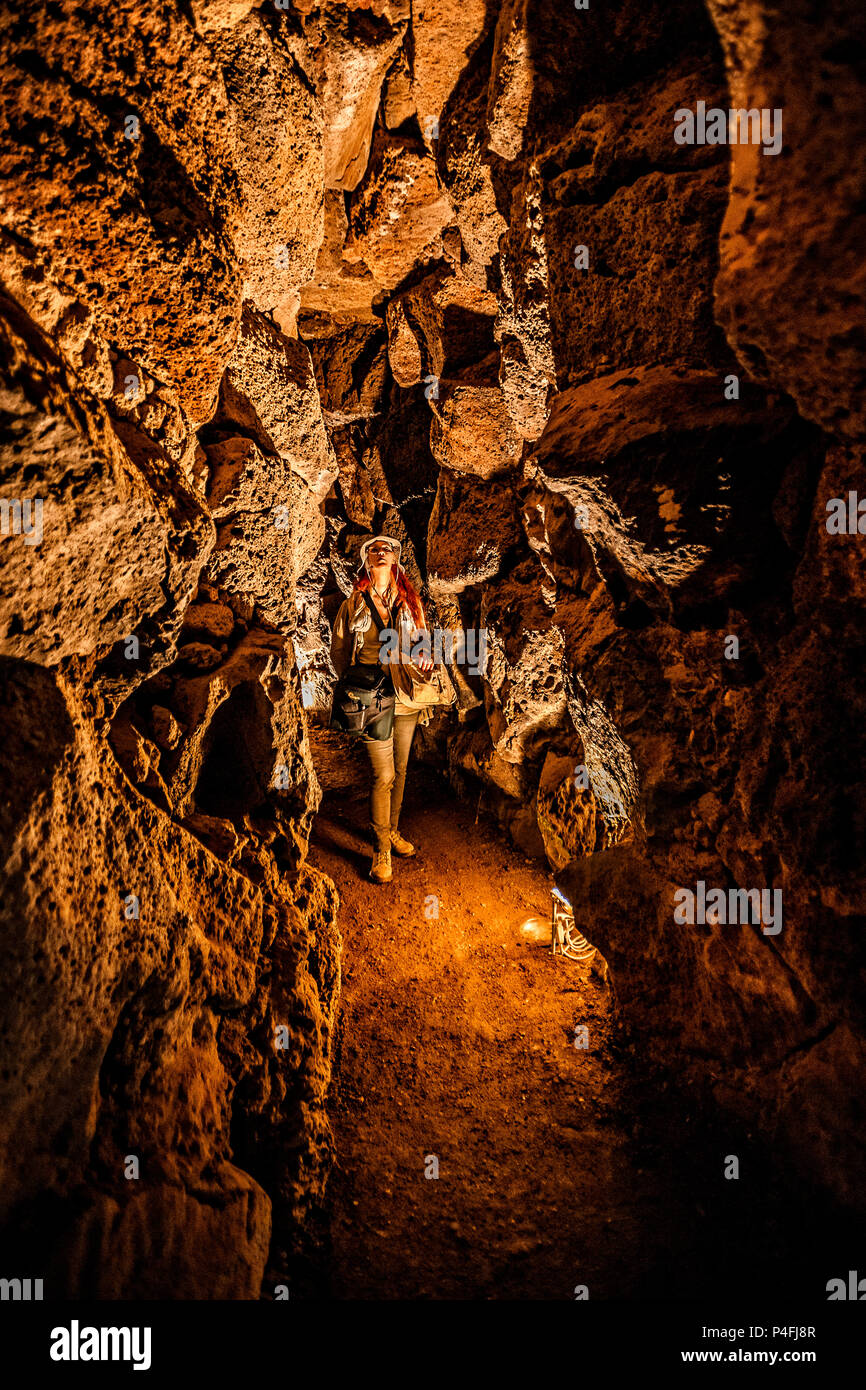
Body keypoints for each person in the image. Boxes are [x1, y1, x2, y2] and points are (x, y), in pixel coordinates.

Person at [330, 535, 435, 884]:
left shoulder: (410, 602)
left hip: (404, 694)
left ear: (395, 560)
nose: (380, 552)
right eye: (373, 549)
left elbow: (423, 643)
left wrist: (423, 662)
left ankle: (391, 831)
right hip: (373, 696)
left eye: (385, 549)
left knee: (402, 770)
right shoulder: (354, 603)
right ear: (366, 560)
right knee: (383, 775)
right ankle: (381, 849)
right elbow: (341, 648)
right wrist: (352, 684)